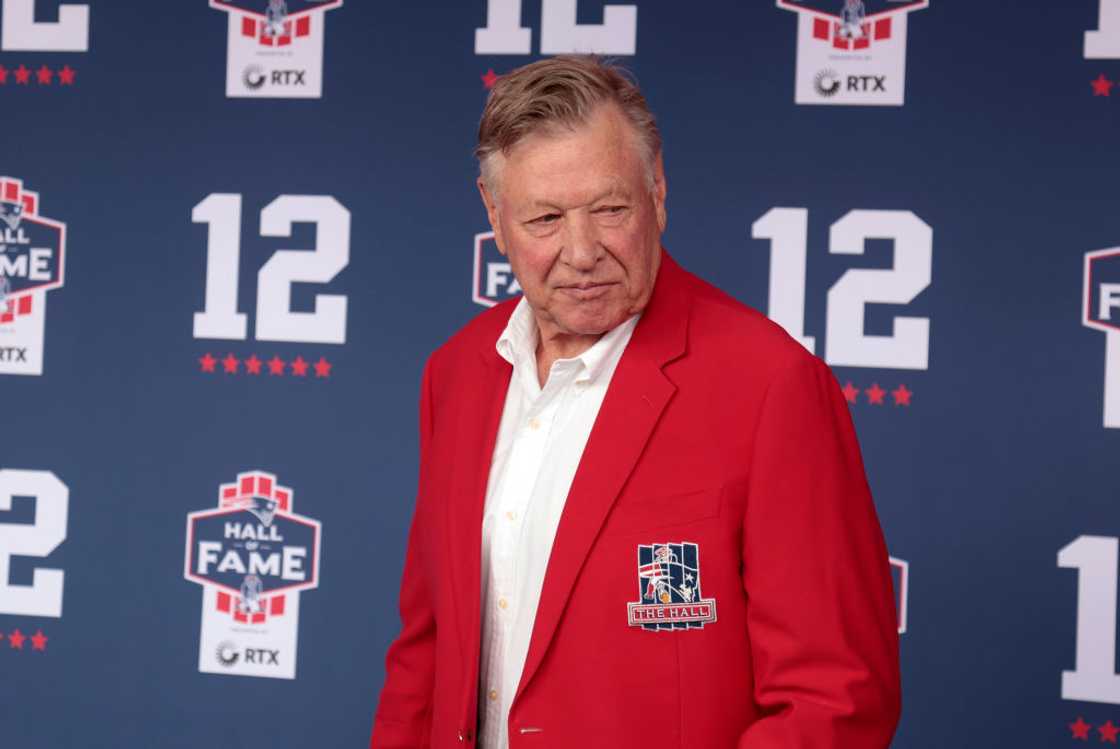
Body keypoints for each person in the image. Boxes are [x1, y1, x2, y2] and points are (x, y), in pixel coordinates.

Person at [371, 55, 900, 748]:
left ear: (658, 192)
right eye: (546, 219)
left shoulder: (772, 384)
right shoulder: (457, 373)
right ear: (494, 217)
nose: (582, 250)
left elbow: (836, 700)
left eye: (610, 208)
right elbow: (426, 651)